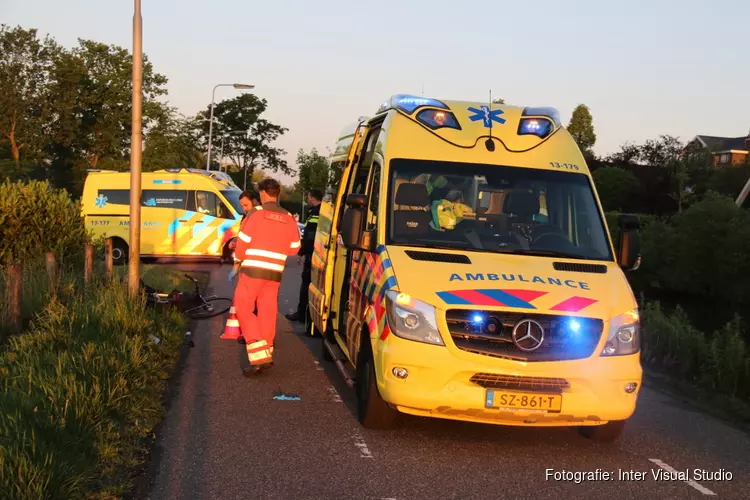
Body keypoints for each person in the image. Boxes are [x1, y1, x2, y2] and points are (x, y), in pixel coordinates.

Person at [229, 178, 301, 376]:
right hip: (274, 272)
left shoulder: (256, 214)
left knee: (243, 306)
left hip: (253, 269)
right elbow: (295, 248)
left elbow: (243, 242)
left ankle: (259, 354)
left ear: (262, 193)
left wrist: (237, 260)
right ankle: (267, 351)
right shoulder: (287, 217)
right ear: (277, 194)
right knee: (267, 311)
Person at [285, 189, 322, 323]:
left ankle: (302, 313)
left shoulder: (315, 213)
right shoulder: (323, 211)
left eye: (308, 197)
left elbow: (310, 236)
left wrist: (301, 252)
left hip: (312, 254)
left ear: (312, 197)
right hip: (319, 253)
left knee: (306, 283)